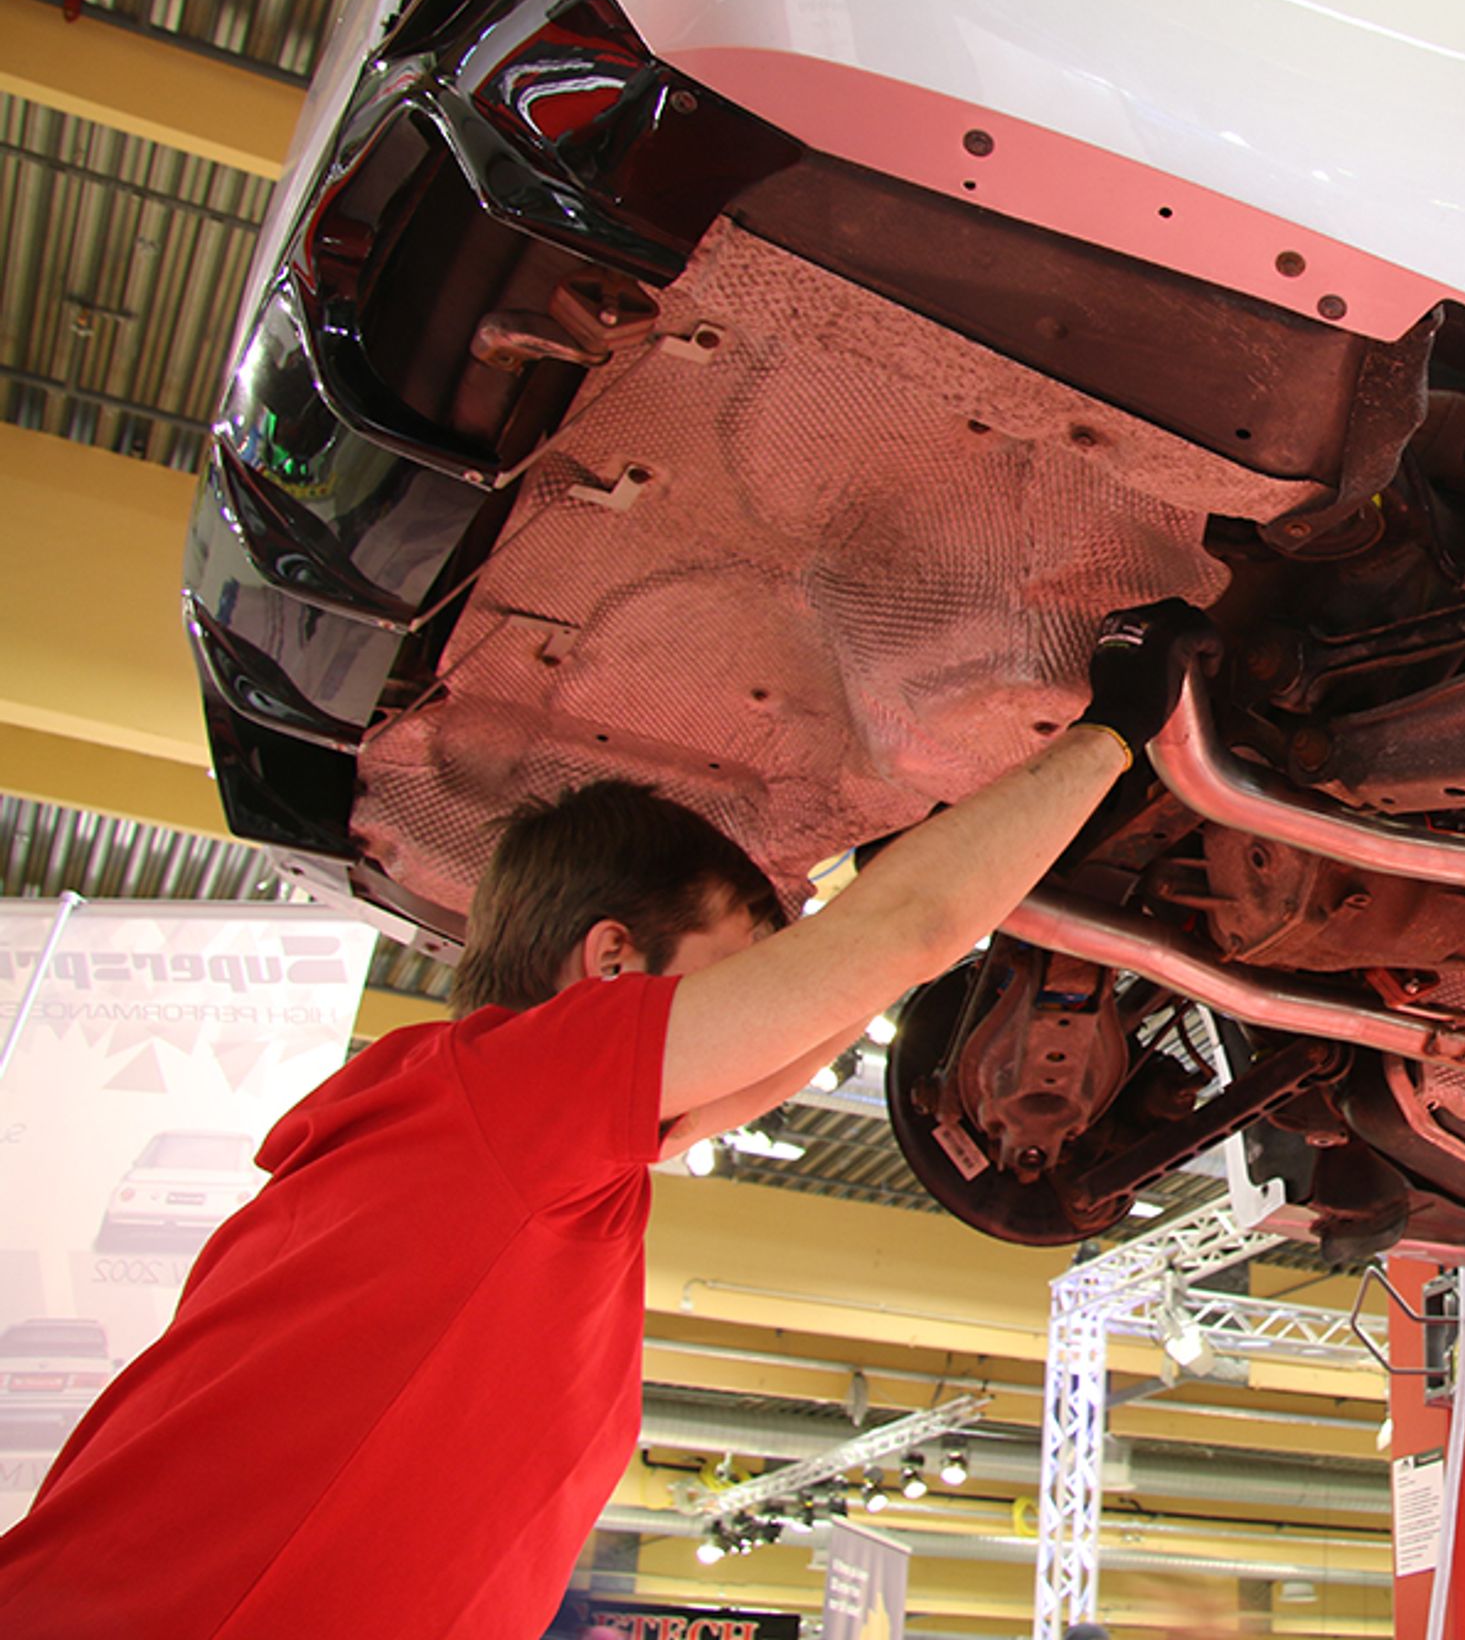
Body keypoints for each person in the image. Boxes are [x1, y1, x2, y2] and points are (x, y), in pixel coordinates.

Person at [0, 603, 1206, 1640]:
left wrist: (1059, 795)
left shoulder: (516, 1151)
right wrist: (1117, 730)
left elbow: (831, 1003)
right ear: (613, 963)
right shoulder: (494, 1096)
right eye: (738, 973)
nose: (757, 1013)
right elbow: (882, 948)